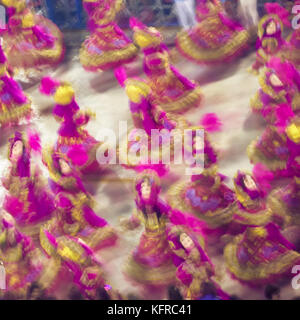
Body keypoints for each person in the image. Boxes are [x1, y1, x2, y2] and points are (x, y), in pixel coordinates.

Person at [1, 0, 64, 78]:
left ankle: (30, 69)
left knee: (26, 54)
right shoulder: (22, 15)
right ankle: (29, 69)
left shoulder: (21, 16)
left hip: (26, 37)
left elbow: (19, 28)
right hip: (26, 37)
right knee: (25, 54)